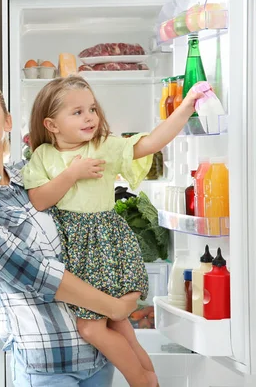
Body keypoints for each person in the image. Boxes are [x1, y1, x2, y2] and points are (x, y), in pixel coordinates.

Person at [0, 80, 142, 387]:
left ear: (7, 121)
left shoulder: (33, 174)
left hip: (100, 352)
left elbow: (84, 234)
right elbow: (28, 271)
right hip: (49, 363)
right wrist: (114, 307)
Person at [22, 76, 204, 387]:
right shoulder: (43, 156)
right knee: (118, 324)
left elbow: (151, 143)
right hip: (76, 251)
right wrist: (72, 174)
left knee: (91, 328)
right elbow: (39, 199)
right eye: (77, 112)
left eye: (91, 108)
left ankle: (140, 382)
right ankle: (149, 378)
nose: (89, 116)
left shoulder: (103, 146)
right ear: (51, 125)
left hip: (106, 245)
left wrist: (186, 107)